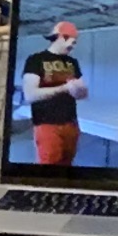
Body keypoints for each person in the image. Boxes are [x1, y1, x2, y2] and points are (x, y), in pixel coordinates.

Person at [23, 21, 87, 166]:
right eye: (72, 42)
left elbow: (82, 94)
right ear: (61, 37)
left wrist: (80, 90)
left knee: (67, 165)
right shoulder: (36, 60)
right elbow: (30, 95)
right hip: (47, 125)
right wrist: (64, 88)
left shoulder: (73, 62)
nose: (73, 46)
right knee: (49, 168)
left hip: (71, 124)